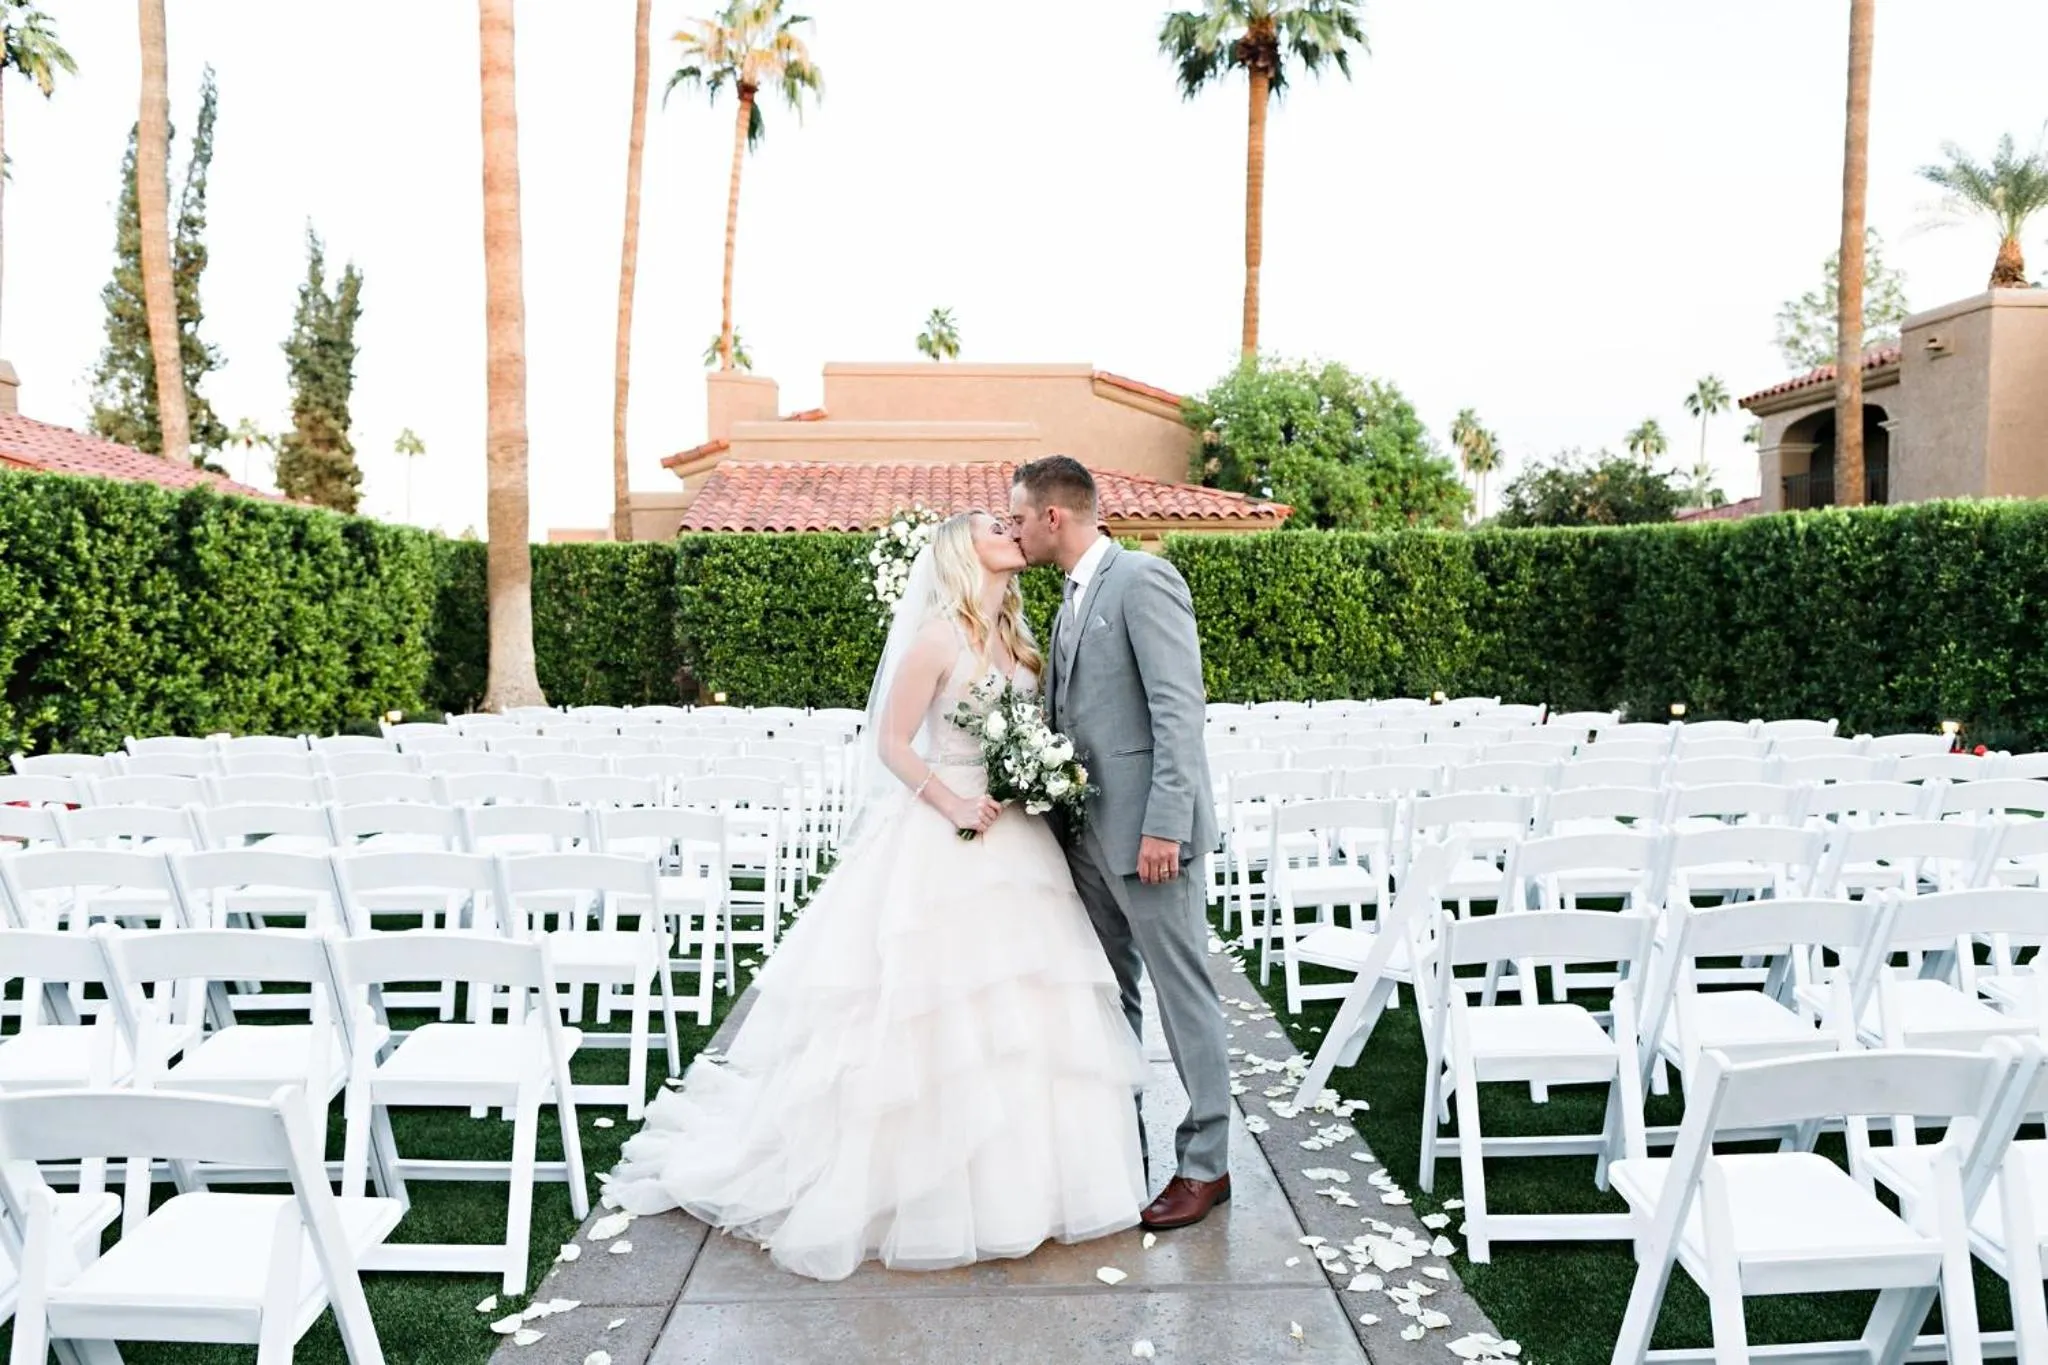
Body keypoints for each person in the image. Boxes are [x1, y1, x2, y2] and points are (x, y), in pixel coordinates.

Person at [605, 511, 1147, 1282]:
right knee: (931, 1012)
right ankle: (915, 1193)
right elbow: (891, 744)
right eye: (995, 525)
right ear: (965, 553)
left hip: (1021, 838)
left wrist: (1036, 775)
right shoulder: (936, 637)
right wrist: (955, 803)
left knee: (1028, 1011)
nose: (1011, 529)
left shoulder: (1023, 638)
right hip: (946, 833)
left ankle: (1032, 1185)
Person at [1007, 456, 1232, 1230]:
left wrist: (1166, 822)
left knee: (1183, 992)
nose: (1014, 530)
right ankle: (1116, 1143)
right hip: (1086, 838)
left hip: (1148, 839)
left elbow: (1180, 708)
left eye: (1018, 517)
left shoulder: (1140, 580)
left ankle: (1206, 1165)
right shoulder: (1068, 600)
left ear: (1054, 517)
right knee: (1112, 994)